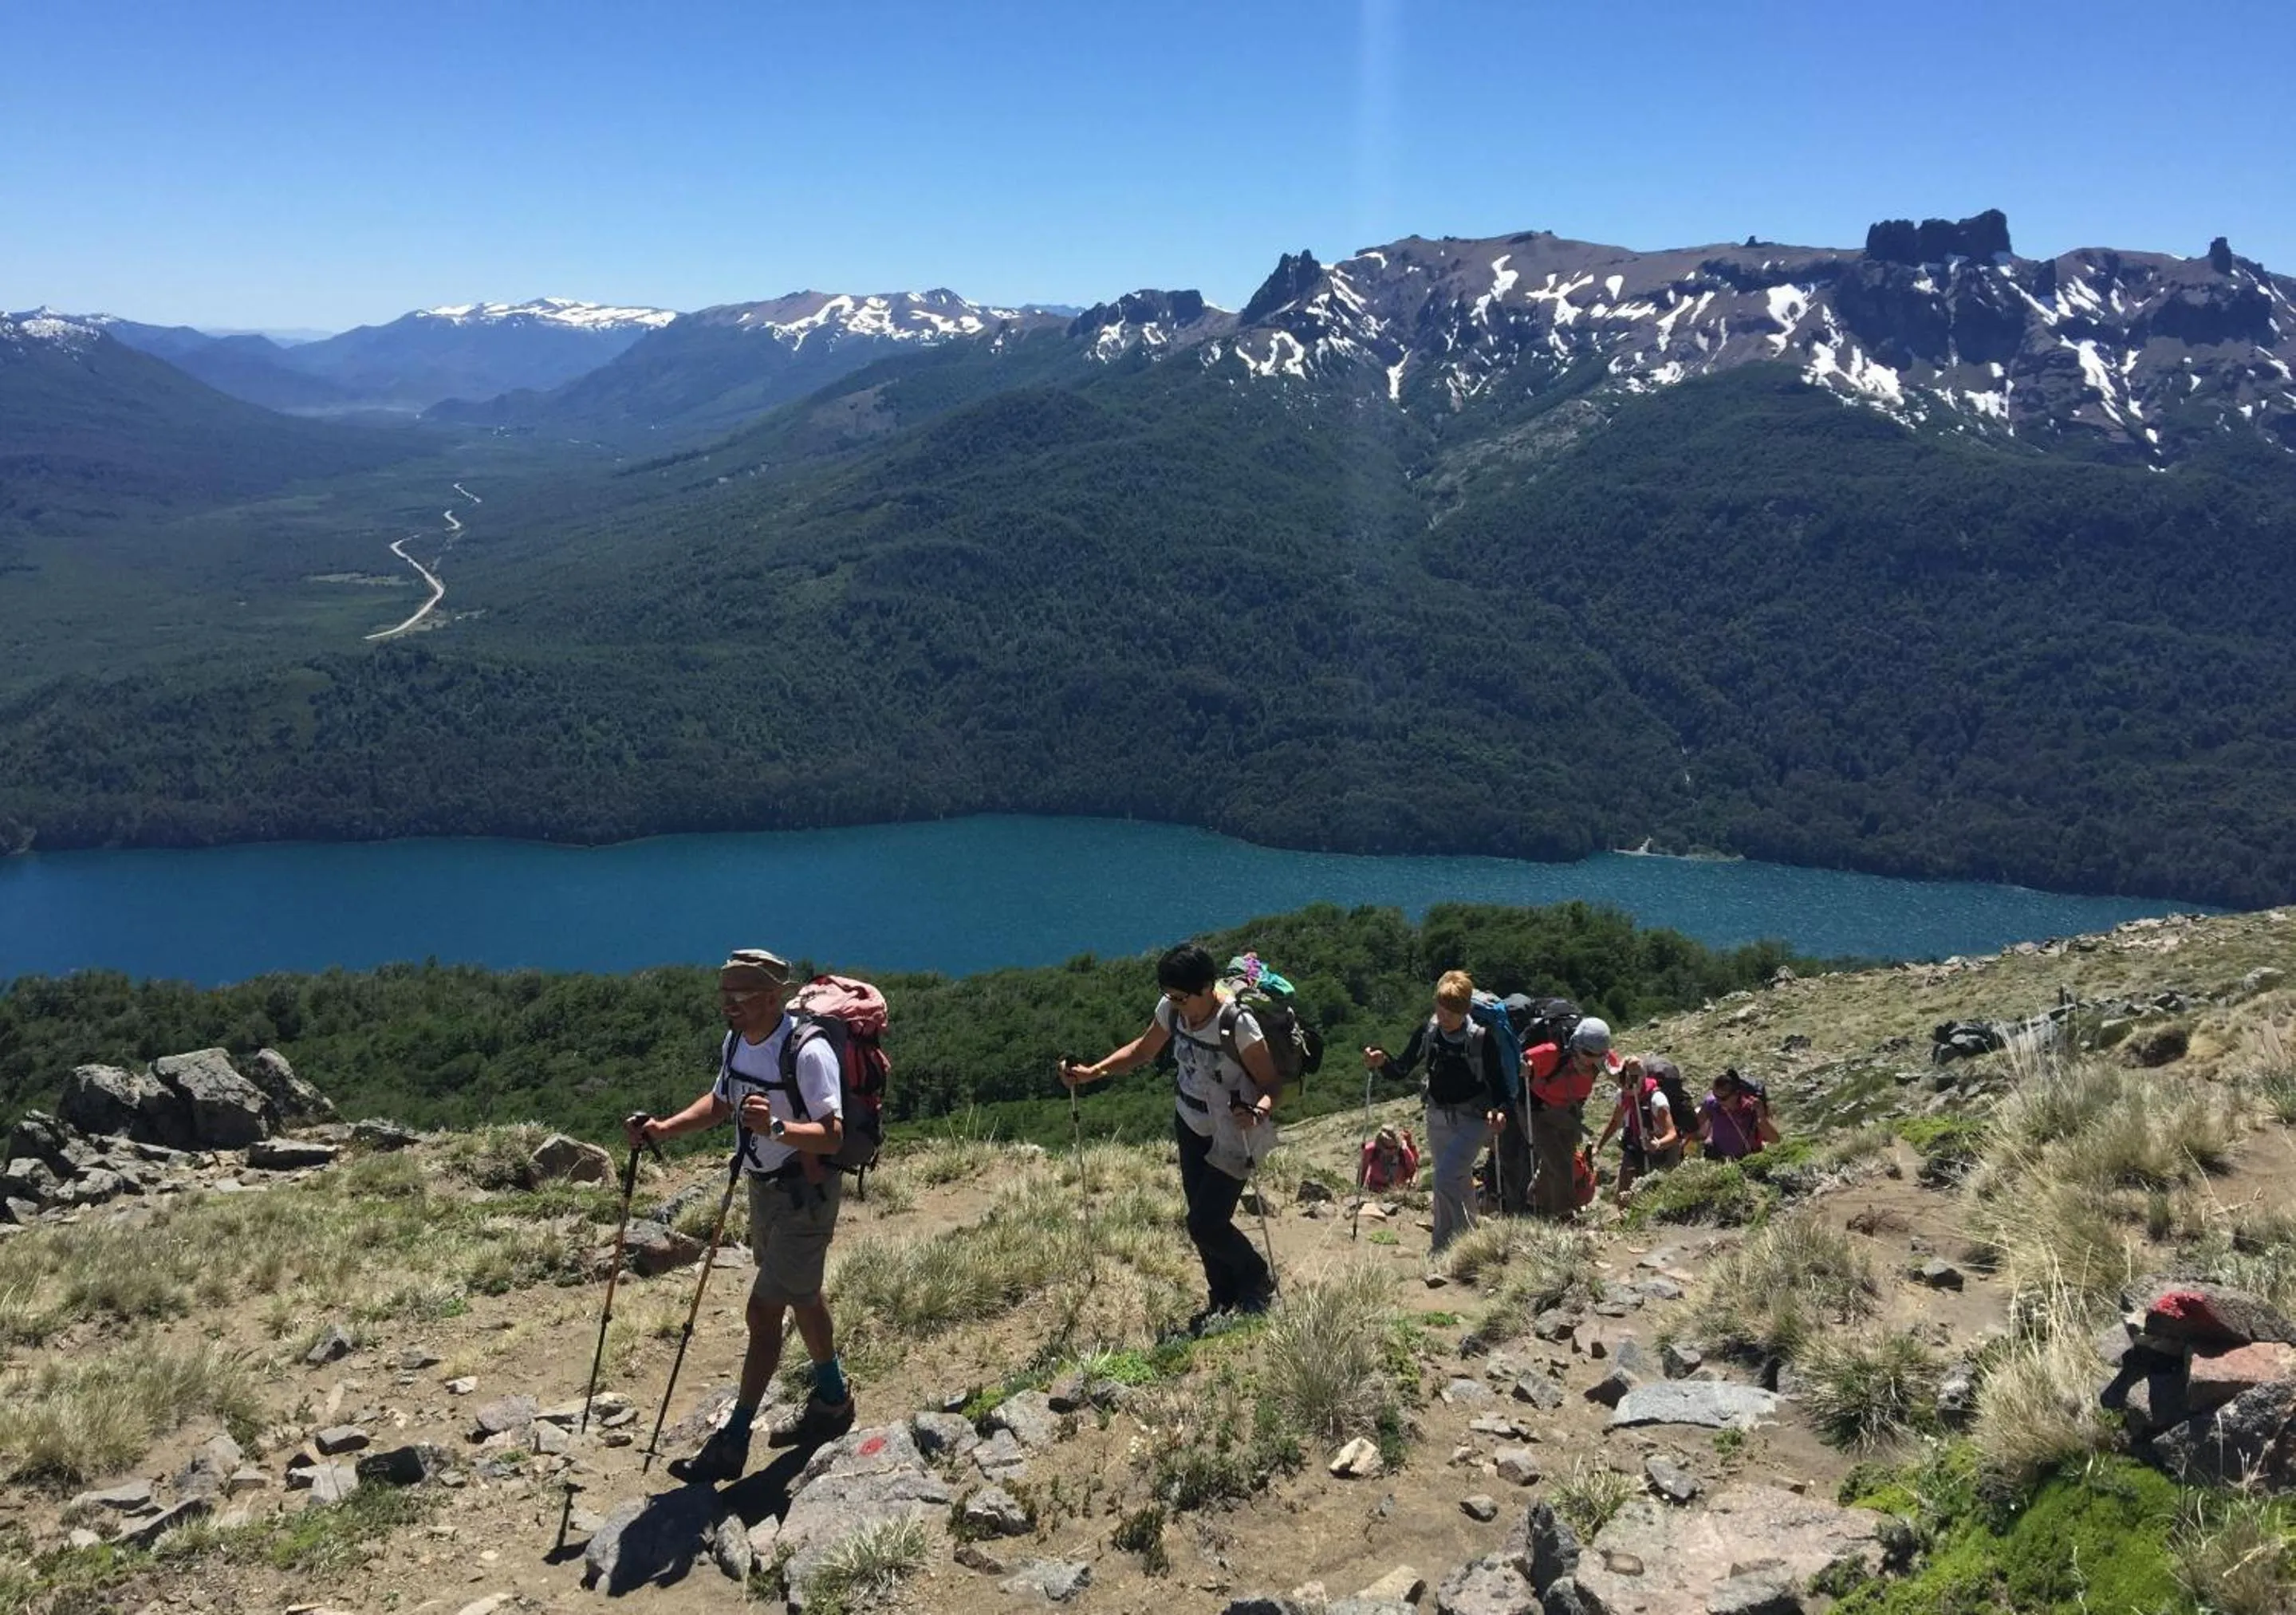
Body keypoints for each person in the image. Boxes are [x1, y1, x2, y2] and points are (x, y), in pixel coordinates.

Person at [624, 948, 854, 1483]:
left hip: (805, 1194)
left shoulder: (807, 1051)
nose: (728, 1005)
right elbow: (721, 1102)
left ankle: (733, 1439)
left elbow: (833, 1134)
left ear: (771, 997)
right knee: (803, 1292)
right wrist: (661, 1127)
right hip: (764, 1188)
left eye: (739, 997)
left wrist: (775, 1128)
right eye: (724, 995)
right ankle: (834, 1399)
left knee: (762, 1311)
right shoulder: (737, 1043)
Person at [1061, 943, 1279, 1329]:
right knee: (1200, 1219)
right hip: (1190, 1124)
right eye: (1169, 995)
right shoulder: (1173, 1012)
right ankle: (1222, 1296)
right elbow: (1143, 1051)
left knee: (1205, 1224)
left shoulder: (1238, 1025)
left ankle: (1257, 1277)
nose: (1174, 1004)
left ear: (1206, 988)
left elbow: (1271, 1083)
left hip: (1233, 1133)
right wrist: (1095, 1071)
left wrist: (1259, 1111)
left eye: (1181, 997)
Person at [1364, 970, 1506, 1253]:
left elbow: (1499, 1085)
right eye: (1441, 1009)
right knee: (1458, 1177)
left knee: (1444, 1177)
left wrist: (1499, 1111)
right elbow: (1401, 1068)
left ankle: (1446, 1244)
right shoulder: (1429, 1031)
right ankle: (1463, 1239)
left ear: (1466, 1008)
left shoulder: (1481, 1038)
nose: (1445, 1017)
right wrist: (1382, 1061)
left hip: (1473, 1119)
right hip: (1437, 1115)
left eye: (1452, 1011)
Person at [1522, 1017, 1619, 1219]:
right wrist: (1525, 1066)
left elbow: (1619, 1074)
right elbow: (1522, 1059)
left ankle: (1536, 1199)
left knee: (1562, 1160)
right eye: (1588, 1054)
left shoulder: (1602, 1058)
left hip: (1568, 1110)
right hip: (1538, 1110)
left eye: (1599, 1055)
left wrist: (1629, 1072)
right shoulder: (1551, 1052)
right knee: (1560, 1163)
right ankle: (1563, 1215)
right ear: (1575, 1045)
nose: (1592, 1060)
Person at [1593, 1054, 1681, 1200]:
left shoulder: (1657, 1100)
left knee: (1660, 1192)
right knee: (1623, 1193)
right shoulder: (1624, 1096)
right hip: (1635, 1144)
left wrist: (1658, 1144)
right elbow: (1615, 1122)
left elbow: (1672, 1135)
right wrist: (1599, 1146)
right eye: (1622, 1084)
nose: (1624, 1088)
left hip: (1662, 1151)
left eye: (1628, 1084)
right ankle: (1623, 1216)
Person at [1699, 1067, 1781, 1160]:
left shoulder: (1751, 1108)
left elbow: (1775, 1140)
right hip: (1718, 1154)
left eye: (1723, 1099)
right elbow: (1694, 1128)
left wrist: (1761, 1118)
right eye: (1715, 1095)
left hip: (1745, 1157)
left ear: (1736, 1094)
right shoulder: (1712, 1103)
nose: (1718, 1101)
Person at [1360, 1124, 1420, 1192]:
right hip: (1375, 1191)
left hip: (1397, 1192)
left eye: (1395, 1147)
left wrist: (1413, 1184)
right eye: (1388, 1148)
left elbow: (1414, 1171)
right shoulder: (1371, 1150)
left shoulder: (1403, 1151)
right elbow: (1363, 1169)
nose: (1393, 1150)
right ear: (1381, 1145)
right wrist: (1359, 1188)